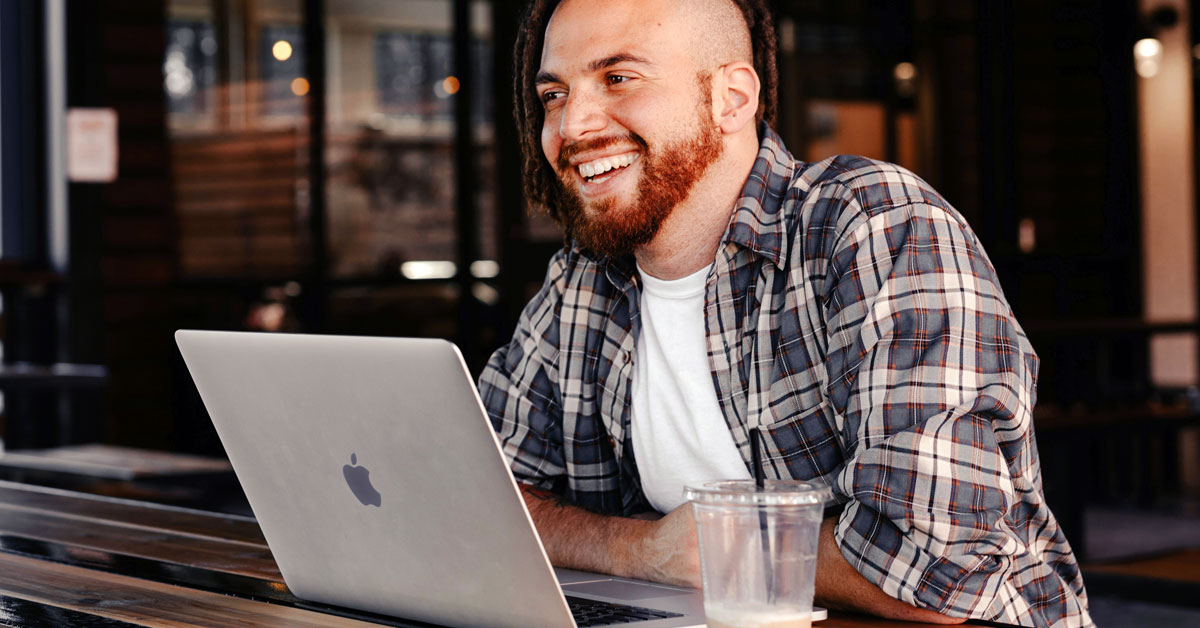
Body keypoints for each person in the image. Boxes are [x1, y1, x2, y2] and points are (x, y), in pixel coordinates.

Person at [478, 1, 1093, 626]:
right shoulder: (582, 280)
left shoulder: (876, 226)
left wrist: (721, 549)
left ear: (732, 99)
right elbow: (479, 496)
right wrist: (642, 551)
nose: (571, 124)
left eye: (618, 78)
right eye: (553, 95)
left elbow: (939, 570)